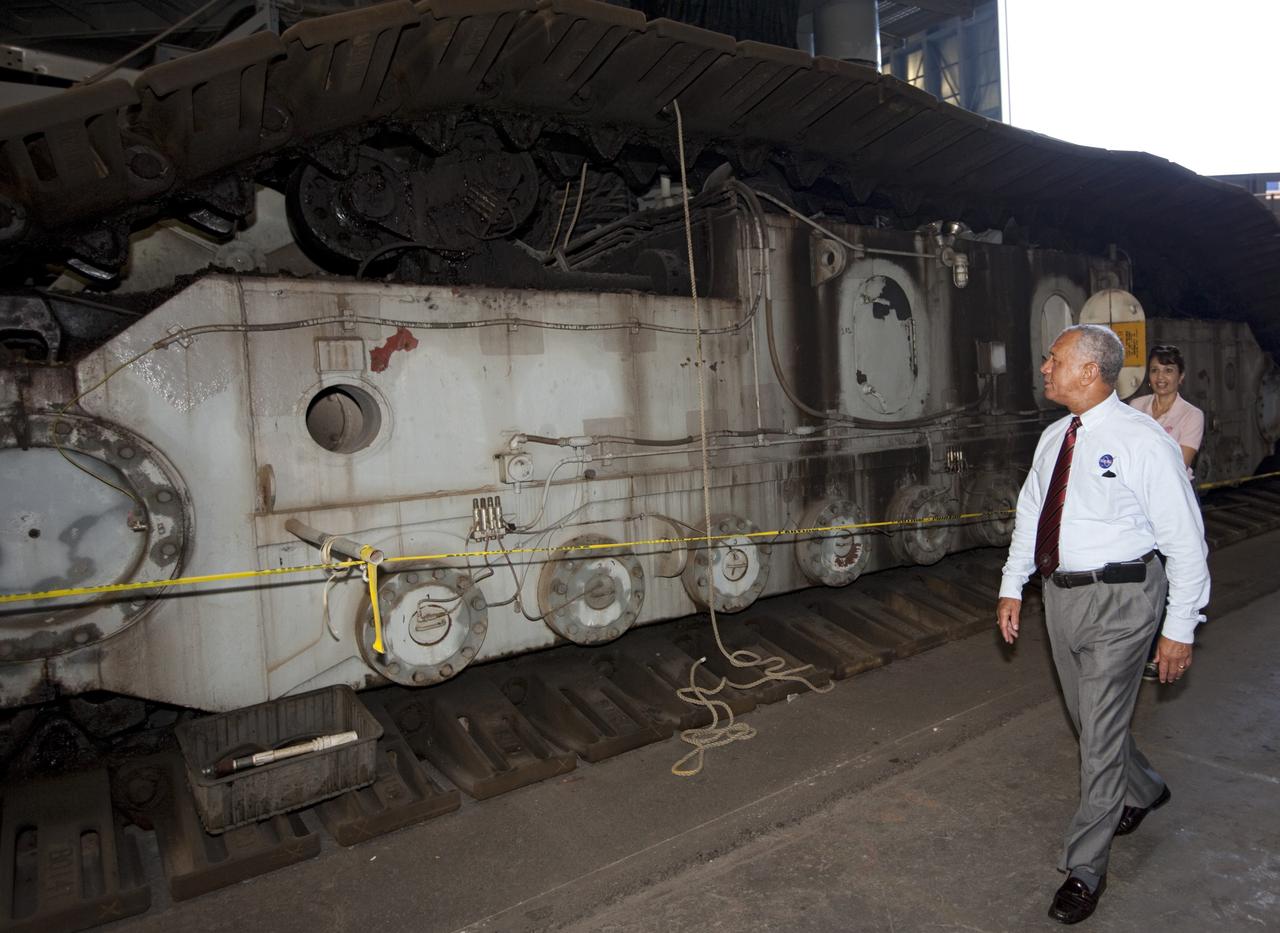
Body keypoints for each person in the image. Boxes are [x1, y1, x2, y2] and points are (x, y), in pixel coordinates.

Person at [995, 324, 1210, 925]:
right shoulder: (1055, 437)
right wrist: (1013, 585)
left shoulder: (1143, 442)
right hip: (1061, 598)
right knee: (1090, 721)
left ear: (1090, 371)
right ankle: (1145, 789)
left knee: (1098, 738)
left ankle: (1086, 868)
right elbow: (1031, 513)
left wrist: (1180, 627)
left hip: (1123, 601)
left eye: (1055, 358)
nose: (1045, 367)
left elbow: (1185, 541)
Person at [1129, 344, 1206, 681]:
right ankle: (1136, 648)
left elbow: (1179, 463)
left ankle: (1159, 651)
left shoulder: (1191, 415)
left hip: (1173, 503)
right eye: (1156, 370)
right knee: (1141, 577)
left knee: (1169, 577)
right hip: (1136, 505)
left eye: (1169, 371)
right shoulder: (1135, 408)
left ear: (1181, 376)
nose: (1162, 377)